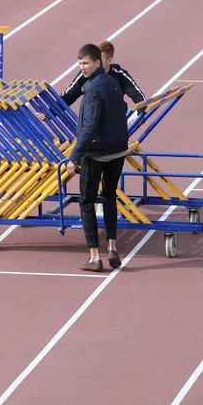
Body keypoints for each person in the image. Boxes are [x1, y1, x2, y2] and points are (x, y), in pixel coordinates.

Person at [66, 44, 129, 272]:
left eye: (85, 63)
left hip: (97, 153)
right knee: (109, 196)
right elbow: (121, 107)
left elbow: (90, 125)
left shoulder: (92, 88)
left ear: (97, 63)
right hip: (118, 151)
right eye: (79, 63)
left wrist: (74, 156)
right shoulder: (112, 82)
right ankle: (112, 248)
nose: (81, 67)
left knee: (86, 201)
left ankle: (95, 257)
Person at [60, 40, 145, 109]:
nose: (96, 62)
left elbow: (137, 94)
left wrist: (141, 112)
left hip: (115, 118)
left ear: (110, 61)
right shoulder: (86, 74)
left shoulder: (119, 74)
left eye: (100, 59)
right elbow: (69, 96)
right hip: (94, 118)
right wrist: (50, 112)